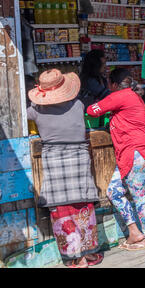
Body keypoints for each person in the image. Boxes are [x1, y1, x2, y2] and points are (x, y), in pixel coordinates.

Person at [27, 69, 102, 268]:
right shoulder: (78, 105)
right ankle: (90, 254)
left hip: (55, 160)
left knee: (61, 209)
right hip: (79, 159)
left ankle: (76, 258)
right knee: (83, 205)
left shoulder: (36, 110)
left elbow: (20, 116)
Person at [86, 68, 145, 251]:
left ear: (115, 84)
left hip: (135, 153)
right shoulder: (133, 96)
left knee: (140, 196)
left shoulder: (120, 95)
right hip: (136, 153)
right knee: (114, 192)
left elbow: (92, 110)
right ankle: (135, 232)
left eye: (109, 84)